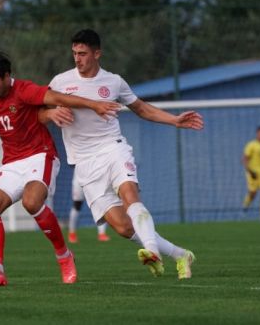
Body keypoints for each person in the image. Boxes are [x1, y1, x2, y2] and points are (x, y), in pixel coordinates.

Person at [41, 29, 204, 279]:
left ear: (97, 53)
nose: (77, 58)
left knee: (130, 194)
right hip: (84, 162)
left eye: (82, 53)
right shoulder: (61, 81)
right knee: (123, 227)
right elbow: (38, 112)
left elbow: (141, 109)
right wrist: (50, 114)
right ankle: (181, 255)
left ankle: (151, 251)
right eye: (74, 53)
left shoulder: (114, 81)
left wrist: (174, 120)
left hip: (113, 148)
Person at [0, 51, 120, 286]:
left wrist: (93, 104)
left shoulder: (24, 90)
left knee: (32, 202)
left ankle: (65, 256)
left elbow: (59, 98)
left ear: (7, 76)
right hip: (12, 161)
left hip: (40, 155)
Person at [68, 171, 110, 243]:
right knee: (77, 204)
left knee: (100, 204)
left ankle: (102, 234)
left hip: (94, 178)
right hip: (79, 179)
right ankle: (72, 233)